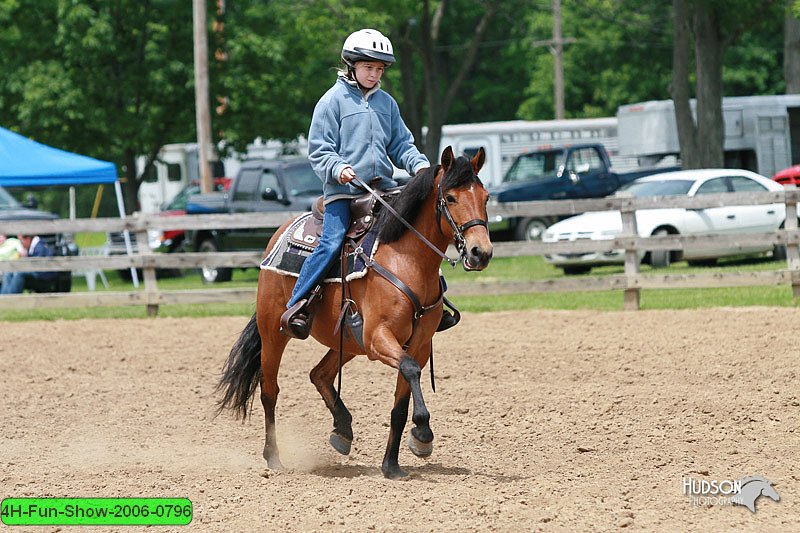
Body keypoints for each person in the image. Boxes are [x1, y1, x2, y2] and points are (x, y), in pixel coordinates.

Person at [281, 28, 456, 339]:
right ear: (351, 65)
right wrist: (337, 168)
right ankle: (299, 303)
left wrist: (421, 167)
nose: (374, 74)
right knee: (332, 242)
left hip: (383, 189)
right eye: (368, 67)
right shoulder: (331, 102)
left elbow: (402, 144)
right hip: (343, 193)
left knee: (417, 233)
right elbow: (319, 149)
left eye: (379, 69)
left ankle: (433, 303)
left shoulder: (386, 103)